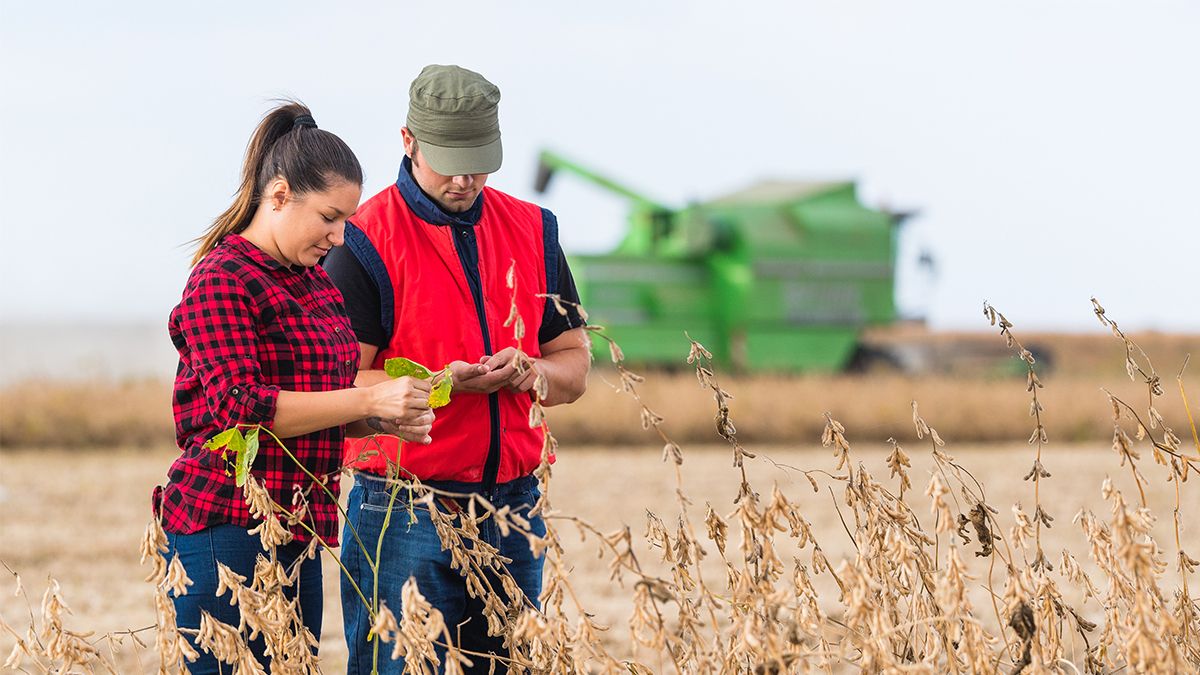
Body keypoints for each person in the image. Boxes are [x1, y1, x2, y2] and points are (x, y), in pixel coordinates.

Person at [323, 65, 591, 673]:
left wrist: (533, 373)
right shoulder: (362, 239)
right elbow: (339, 387)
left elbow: (575, 362)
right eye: (450, 159)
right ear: (408, 141)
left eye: (480, 158)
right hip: (401, 508)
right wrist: (446, 384)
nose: (467, 177)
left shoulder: (534, 228)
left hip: (513, 508)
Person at [154, 101, 435, 673]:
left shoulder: (316, 286)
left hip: (301, 529)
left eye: (347, 221)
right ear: (279, 195)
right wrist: (365, 397)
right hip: (225, 528)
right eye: (329, 217)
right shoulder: (222, 277)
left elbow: (326, 406)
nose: (339, 235)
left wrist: (382, 416)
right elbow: (240, 407)